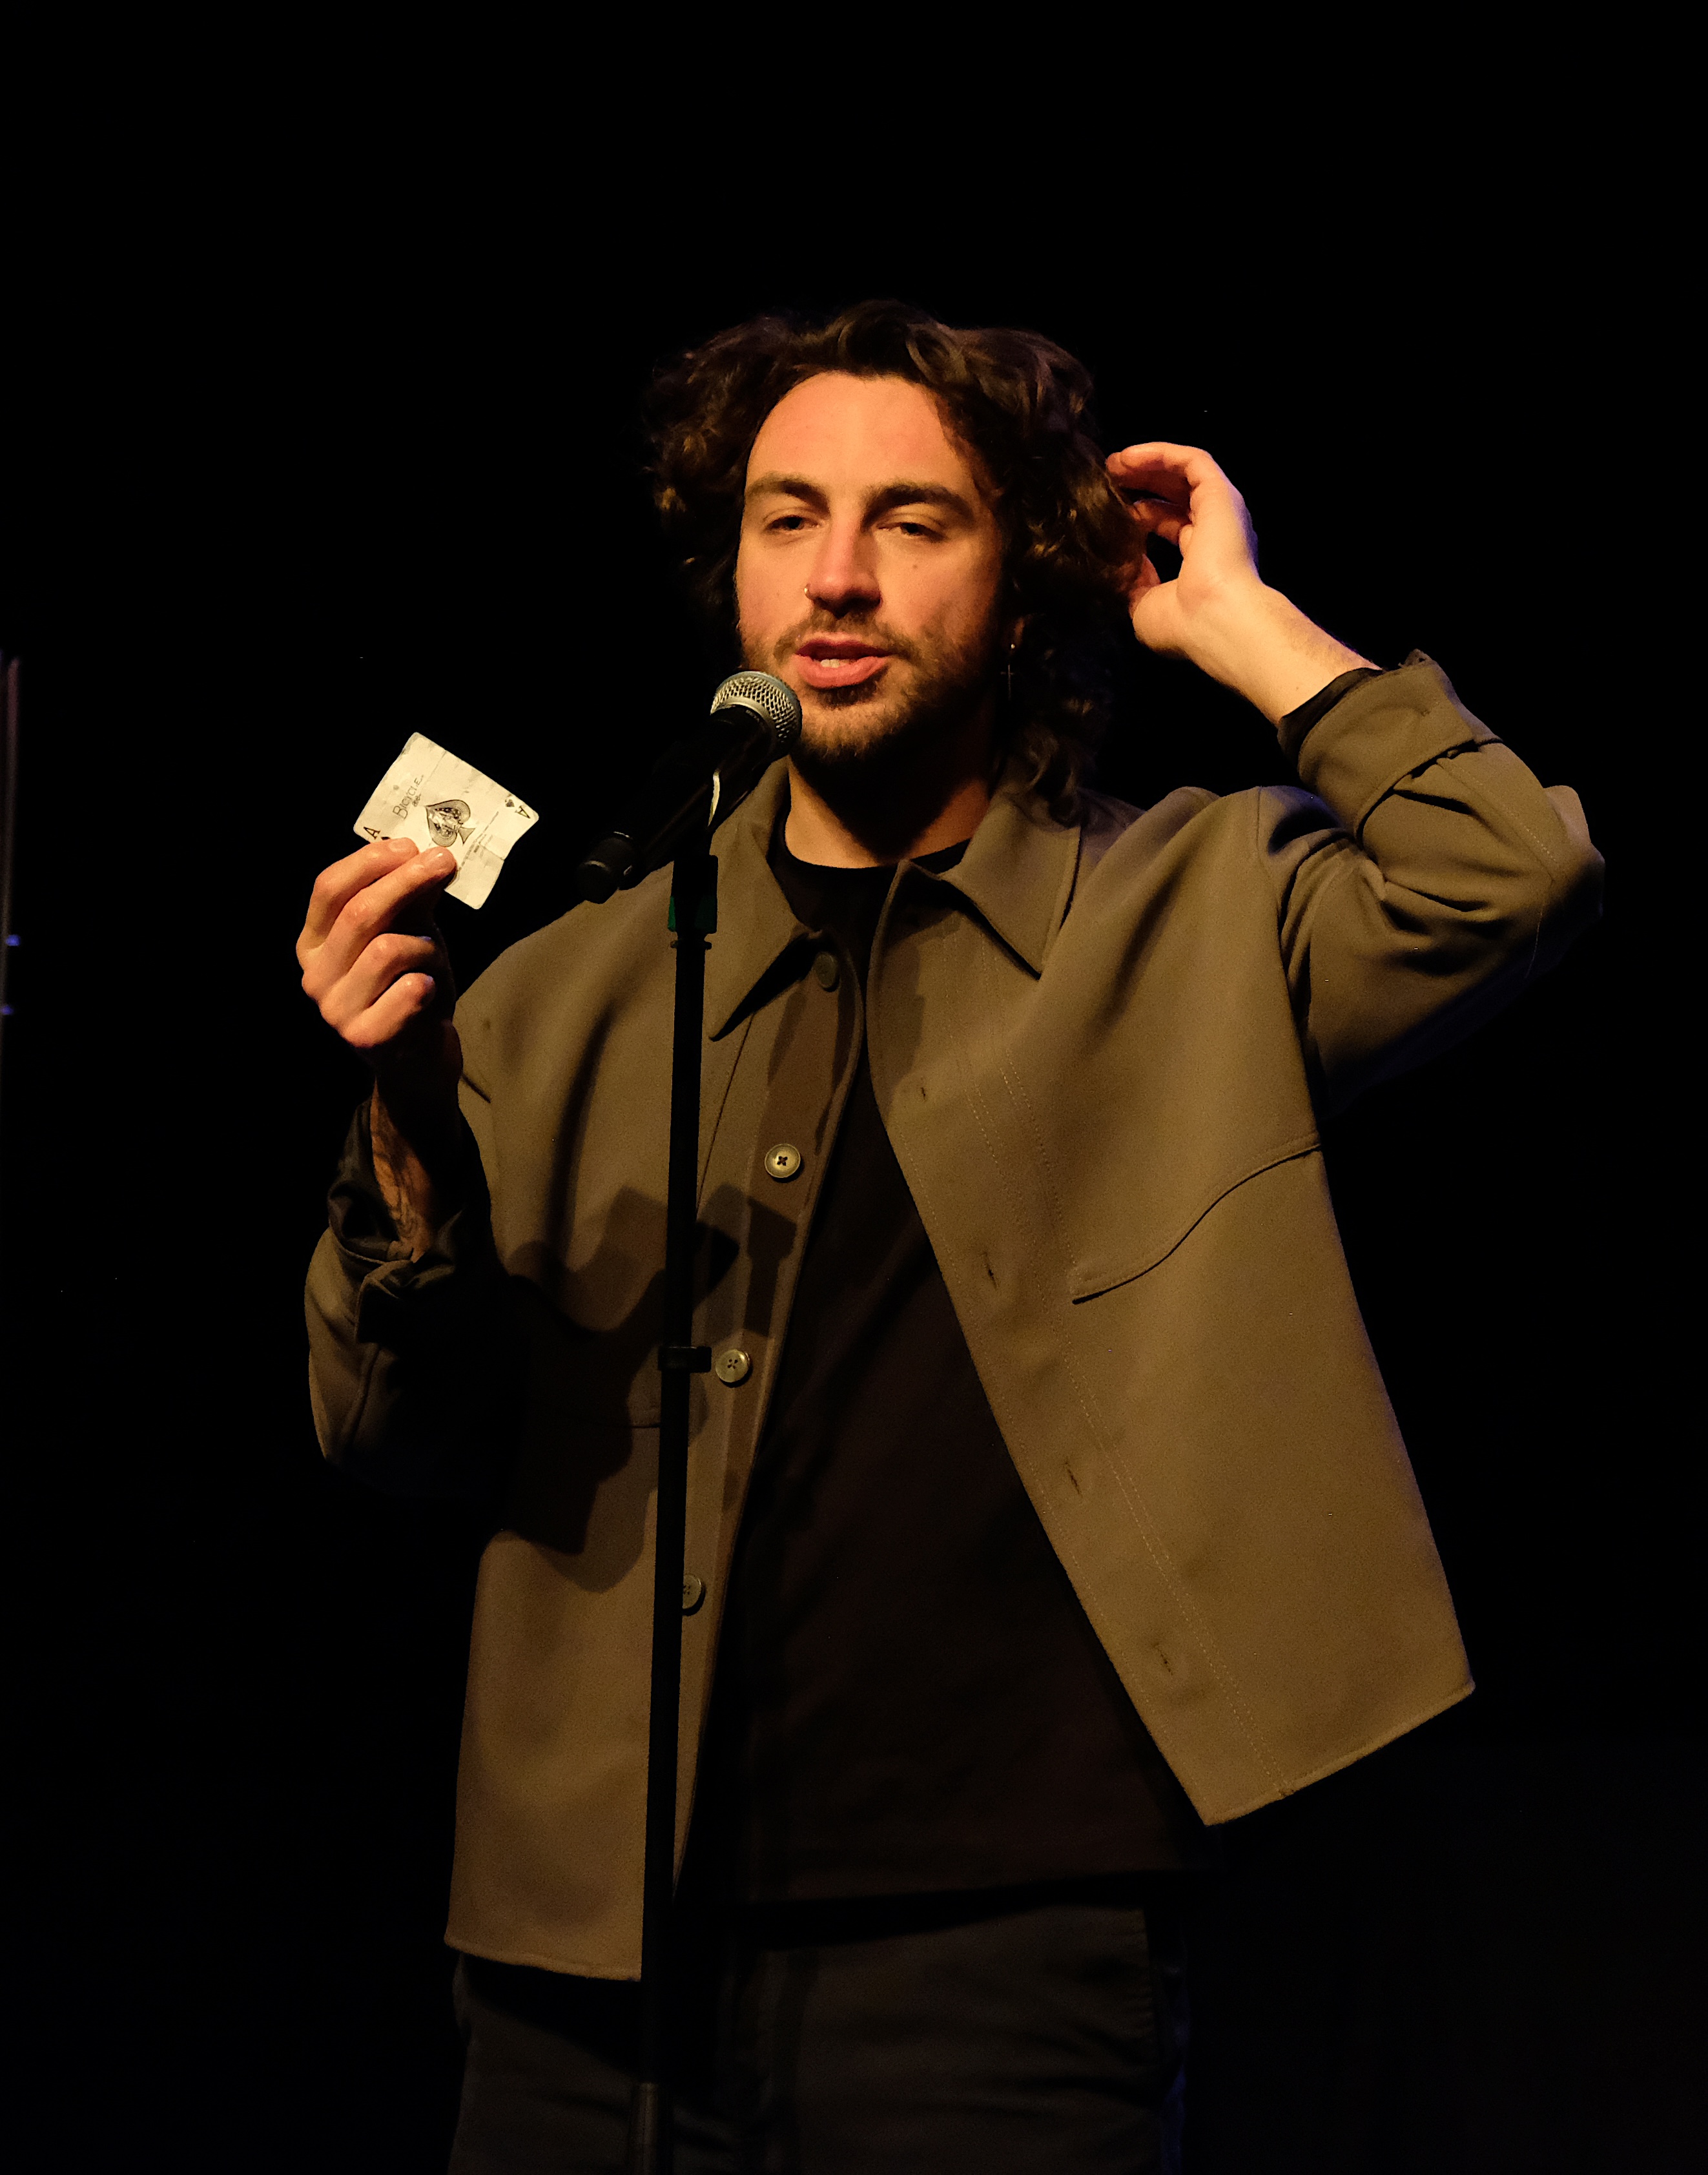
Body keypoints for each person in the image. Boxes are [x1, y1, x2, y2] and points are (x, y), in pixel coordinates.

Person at [298, 301, 1602, 2173]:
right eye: (787, 518)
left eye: (913, 522)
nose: (837, 576)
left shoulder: (1190, 905)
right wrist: (407, 1122)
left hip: (1004, 1959)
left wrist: (1238, 621)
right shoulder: (564, 987)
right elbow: (387, 1436)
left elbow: (1510, 873)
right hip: (589, 1973)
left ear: (1026, 581)